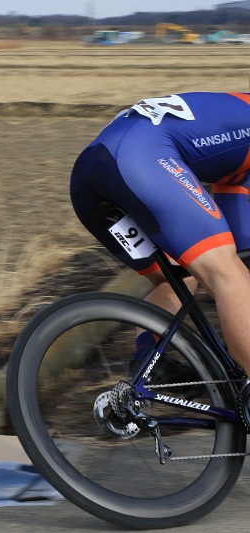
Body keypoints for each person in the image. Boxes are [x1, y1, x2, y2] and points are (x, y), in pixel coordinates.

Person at [70, 92, 250, 382]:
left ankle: (149, 362)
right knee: (226, 273)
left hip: (92, 175)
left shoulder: (236, 157)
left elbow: (243, 242)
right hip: (139, 158)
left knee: (181, 278)